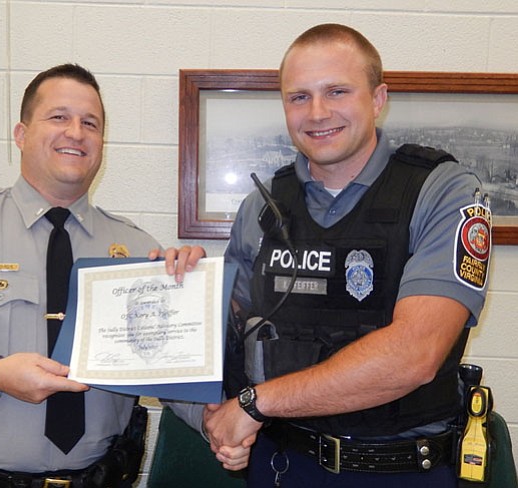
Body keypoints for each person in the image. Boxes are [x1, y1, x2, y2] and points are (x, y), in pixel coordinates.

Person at [0, 63, 245, 488]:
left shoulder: (136, 251)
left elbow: (165, 376)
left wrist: (216, 422)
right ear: (20, 135)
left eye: (89, 123)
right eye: (59, 117)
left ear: (101, 144)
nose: (75, 132)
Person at [203, 24, 492, 488]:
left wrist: (256, 404)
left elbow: (414, 355)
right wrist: (177, 285)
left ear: (378, 99)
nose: (317, 113)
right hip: (281, 464)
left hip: (398, 470)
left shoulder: (441, 191)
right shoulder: (262, 206)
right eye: (298, 97)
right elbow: (222, 335)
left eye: (336, 91)